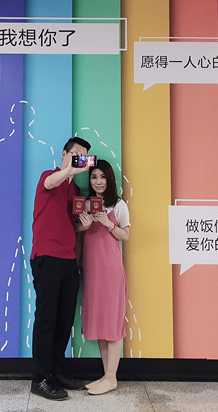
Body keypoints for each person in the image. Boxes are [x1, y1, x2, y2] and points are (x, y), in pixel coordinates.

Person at [29, 136, 92, 401]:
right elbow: (51, 182)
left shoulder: (75, 190)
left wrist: (83, 227)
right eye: (76, 155)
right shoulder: (50, 176)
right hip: (46, 256)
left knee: (64, 319)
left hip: (68, 259)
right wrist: (69, 171)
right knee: (46, 319)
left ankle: (56, 372)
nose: (79, 160)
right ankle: (40, 378)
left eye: (83, 157)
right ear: (65, 154)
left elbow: (70, 225)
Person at [76, 159, 130, 396]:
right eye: (94, 177)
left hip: (111, 271)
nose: (98, 182)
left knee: (113, 324)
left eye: (102, 177)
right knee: (99, 322)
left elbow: (125, 236)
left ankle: (111, 378)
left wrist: (108, 224)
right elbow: (76, 232)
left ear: (110, 180)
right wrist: (83, 227)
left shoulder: (118, 204)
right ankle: (106, 375)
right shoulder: (85, 205)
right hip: (92, 271)